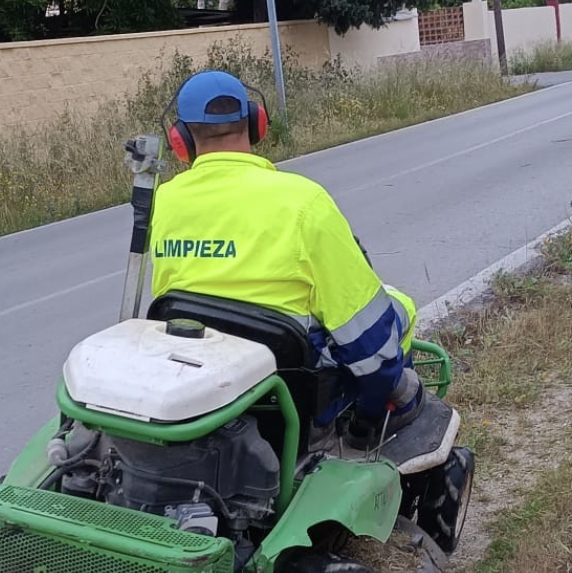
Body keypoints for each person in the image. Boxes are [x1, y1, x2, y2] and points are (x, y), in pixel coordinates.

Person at [148, 69, 440, 447]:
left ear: (180, 140)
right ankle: (388, 414)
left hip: (204, 384)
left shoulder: (165, 201)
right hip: (294, 398)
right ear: (257, 124)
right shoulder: (304, 201)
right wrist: (373, 402)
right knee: (395, 309)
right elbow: (368, 337)